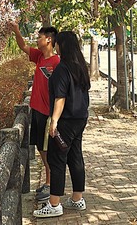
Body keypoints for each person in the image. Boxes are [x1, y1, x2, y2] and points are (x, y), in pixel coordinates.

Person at [33, 30, 90, 218]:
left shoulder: (62, 68)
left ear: (62, 45)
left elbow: (60, 98)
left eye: (58, 43)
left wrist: (54, 121)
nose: (55, 46)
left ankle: (54, 203)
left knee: (56, 160)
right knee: (75, 157)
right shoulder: (80, 66)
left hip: (65, 120)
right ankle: (77, 199)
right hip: (80, 118)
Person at [10, 21, 60, 202]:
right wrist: (16, 30)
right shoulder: (39, 57)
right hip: (37, 111)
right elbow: (22, 45)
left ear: (48, 40)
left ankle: (52, 184)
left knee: (48, 150)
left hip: (48, 113)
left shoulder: (57, 63)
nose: (36, 40)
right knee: (41, 148)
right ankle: (48, 181)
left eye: (39, 37)